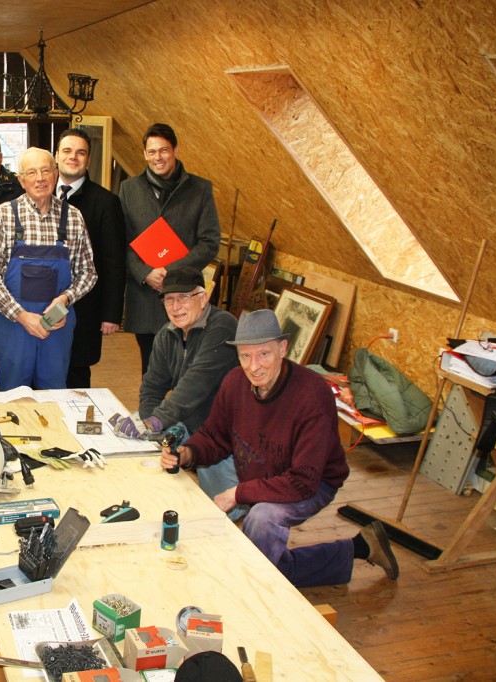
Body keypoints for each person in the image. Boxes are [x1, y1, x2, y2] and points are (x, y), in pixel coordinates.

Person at [161, 309, 400, 588]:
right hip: (263, 473)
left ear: (283, 349)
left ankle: (256, 583)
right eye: (245, 356)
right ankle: (360, 547)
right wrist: (188, 453)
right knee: (261, 564)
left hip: (312, 481)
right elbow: (216, 436)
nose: (253, 366)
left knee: (262, 520)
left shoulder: (311, 395)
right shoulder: (235, 382)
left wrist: (238, 493)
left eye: (264, 354)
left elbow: (303, 481)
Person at [0, 148, 97, 390]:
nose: (40, 178)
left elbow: (88, 273)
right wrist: (22, 317)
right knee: (11, 396)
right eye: (31, 172)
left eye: (45, 171)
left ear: (55, 175)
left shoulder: (73, 217)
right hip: (14, 324)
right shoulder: (4, 215)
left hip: (56, 322)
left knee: (54, 393)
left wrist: (65, 299)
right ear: (21, 180)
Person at [136, 267, 242, 519]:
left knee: (225, 513)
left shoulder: (223, 326)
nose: (176, 306)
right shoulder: (167, 334)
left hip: (223, 436)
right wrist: (152, 426)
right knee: (140, 460)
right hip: (187, 423)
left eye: (184, 297)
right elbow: (152, 386)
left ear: (203, 298)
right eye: (169, 299)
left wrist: (156, 422)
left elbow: (195, 385)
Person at [119, 123, 221, 375]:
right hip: (145, 296)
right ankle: (151, 414)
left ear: (175, 149)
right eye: (152, 152)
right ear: (144, 154)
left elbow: (209, 242)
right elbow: (121, 241)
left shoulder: (200, 189)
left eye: (163, 150)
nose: (158, 157)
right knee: (151, 370)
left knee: (188, 370)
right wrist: (145, 273)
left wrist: (169, 271)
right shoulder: (128, 189)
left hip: (185, 295)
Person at [55, 128, 126, 388]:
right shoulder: (38, 196)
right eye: (67, 151)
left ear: (87, 160)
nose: (73, 157)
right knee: (43, 373)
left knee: (75, 375)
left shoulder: (106, 202)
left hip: (85, 307)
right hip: (42, 304)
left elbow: (114, 261)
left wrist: (111, 314)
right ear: (57, 156)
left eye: (80, 152)